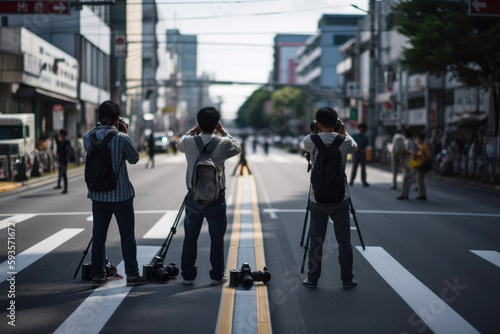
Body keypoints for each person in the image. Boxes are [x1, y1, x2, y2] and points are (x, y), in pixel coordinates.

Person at [83, 100, 146, 287]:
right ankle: (132, 275)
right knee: (127, 236)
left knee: (99, 236)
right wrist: (124, 133)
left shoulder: (89, 137)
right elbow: (134, 159)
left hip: (98, 195)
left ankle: (97, 274)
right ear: (118, 119)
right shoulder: (121, 138)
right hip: (121, 196)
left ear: (97, 117)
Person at [176, 106, 241, 285]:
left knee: (190, 236)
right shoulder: (224, 143)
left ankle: (188, 275)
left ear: (199, 123)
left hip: (194, 197)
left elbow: (178, 142)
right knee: (217, 238)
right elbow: (237, 148)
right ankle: (217, 275)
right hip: (216, 198)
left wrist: (193, 130)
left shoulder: (189, 142)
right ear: (216, 124)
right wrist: (223, 131)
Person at [302, 107, 358, 289]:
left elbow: (308, 153)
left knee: (316, 240)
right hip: (341, 198)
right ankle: (347, 279)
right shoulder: (345, 141)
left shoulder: (309, 140)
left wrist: (313, 133)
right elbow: (355, 147)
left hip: (317, 199)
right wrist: (343, 132)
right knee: (344, 241)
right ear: (336, 123)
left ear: (317, 124)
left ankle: (312, 278)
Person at [397, 128, 417, 200]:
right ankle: (405, 193)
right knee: (409, 178)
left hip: (407, 162)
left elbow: (407, 152)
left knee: (406, 179)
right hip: (411, 162)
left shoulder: (407, 142)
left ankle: (404, 193)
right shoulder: (412, 141)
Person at [412, 133, 431, 200]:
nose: (416, 140)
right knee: (420, 179)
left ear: (420, 139)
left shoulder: (424, 146)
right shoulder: (422, 146)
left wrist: (415, 155)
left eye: (417, 138)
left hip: (423, 164)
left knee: (420, 179)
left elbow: (425, 155)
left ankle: (422, 195)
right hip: (422, 164)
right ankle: (422, 194)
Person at [53, 129, 73, 194]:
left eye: (60, 134)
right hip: (60, 160)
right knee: (60, 173)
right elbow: (58, 149)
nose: (59, 135)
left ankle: (65, 189)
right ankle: (59, 185)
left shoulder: (67, 142)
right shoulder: (60, 142)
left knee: (64, 174)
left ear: (64, 135)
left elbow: (69, 151)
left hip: (64, 160)